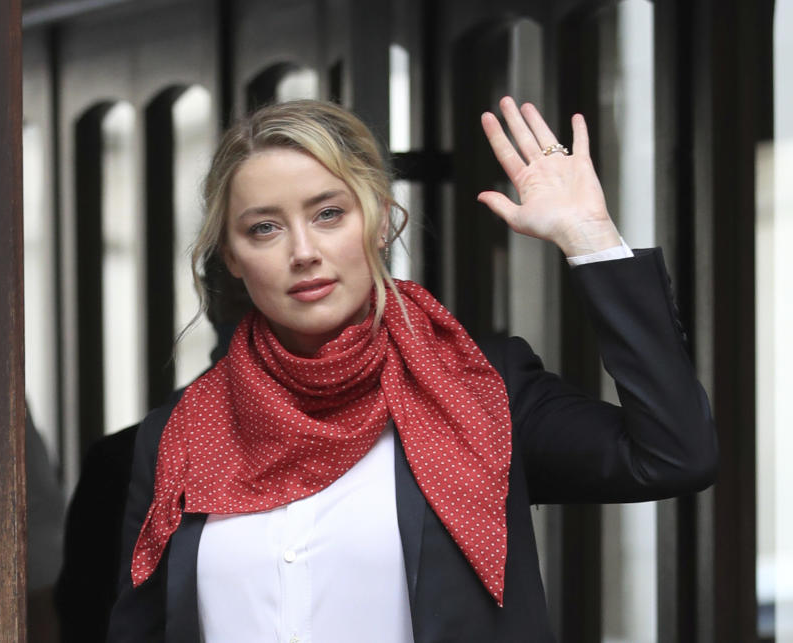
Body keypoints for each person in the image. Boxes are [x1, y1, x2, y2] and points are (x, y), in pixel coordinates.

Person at [107, 97, 717, 642]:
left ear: (376, 220)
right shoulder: (181, 434)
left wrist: (590, 238)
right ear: (232, 258)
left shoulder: (479, 386)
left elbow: (671, 455)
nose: (303, 251)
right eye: (264, 228)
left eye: (328, 214)